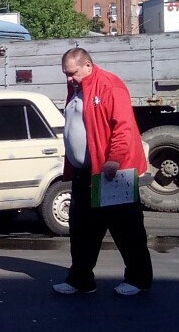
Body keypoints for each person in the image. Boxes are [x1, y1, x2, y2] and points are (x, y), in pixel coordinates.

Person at [52, 47, 153, 297]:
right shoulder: (76, 88)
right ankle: (81, 279)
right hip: (85, 171)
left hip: (112, 171)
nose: (68, 78)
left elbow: (124, 126)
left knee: (126, 228)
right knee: (82, 228)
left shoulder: (110, 85)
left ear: (88, 65)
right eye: (65, 74)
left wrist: (114, 160)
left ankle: (139, 279)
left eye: (72, 73)